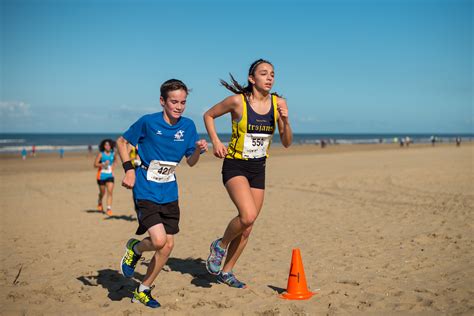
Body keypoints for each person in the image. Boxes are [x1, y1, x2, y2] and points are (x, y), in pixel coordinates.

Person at [116, 79, 208, 308]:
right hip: (145, 187)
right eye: (174, 101)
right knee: (158, 241)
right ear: (162, 101)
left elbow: (191, 162)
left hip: (169, 190)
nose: (179, 106)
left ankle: (143, 289)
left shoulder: (188, 126)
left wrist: (197, 150)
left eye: (183, 102)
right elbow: (122, 142)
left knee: (167, 246)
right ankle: (135, 248)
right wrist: (129, 171)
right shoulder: (148, 122)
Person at [203, 59, 292, 288]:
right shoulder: (237, 102)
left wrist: (285, 119)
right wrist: (215, 141)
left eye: (272, 73)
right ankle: (220, 245)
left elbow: (287, 142)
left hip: (258, 169)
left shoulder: (278, 103)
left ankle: (227, 271)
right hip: (235, 165)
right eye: (264, 73)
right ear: (252, 79)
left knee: (248, 226)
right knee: (248, 215)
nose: (270, 77)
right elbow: (209, 115)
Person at [94, 139, 116, 216]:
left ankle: (108, 208)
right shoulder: (101, 154)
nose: (107, 146)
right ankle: (100, 201)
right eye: (106, 145)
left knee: (110, 191)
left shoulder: (113, 154)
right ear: (103, 146)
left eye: (109, 145)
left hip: (110, 175)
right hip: (101, 175)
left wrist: (112, 170)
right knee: (102, 192)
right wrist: (102, 164)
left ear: (111, 146)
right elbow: (95, 164)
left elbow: (115, 162)